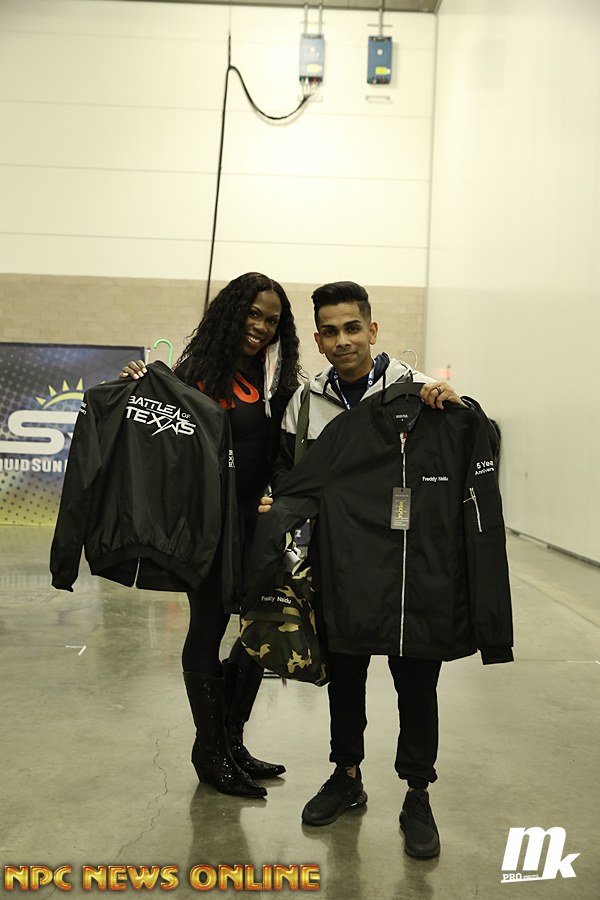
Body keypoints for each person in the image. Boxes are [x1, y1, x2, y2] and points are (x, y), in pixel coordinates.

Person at [259, 281, 496, 858]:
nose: (343, 341)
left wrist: (459, 403)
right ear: (318, 340)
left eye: (352, 328)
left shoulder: (421, 391)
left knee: (417, 681)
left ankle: (418, 793)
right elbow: (288, 473)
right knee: (345, 674)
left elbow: (477, 446)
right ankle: (347, 777)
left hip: (414, 568)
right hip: (338, 563)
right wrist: (280, 506)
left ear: (372, 329)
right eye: (330, 332)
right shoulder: (303, 404)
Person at [121, 272, 302, 799]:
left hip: (256, 525)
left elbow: (283, 450)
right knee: (208, 627)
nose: (261, 327)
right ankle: (210, 750)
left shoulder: (277, 379)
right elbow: (159, 438)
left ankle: (231, 740)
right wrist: (137, 381)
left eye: (272, 321)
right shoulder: (195, 374)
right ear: (231, 313)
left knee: (258, 629)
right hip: (207, 527)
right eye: (253, 314)